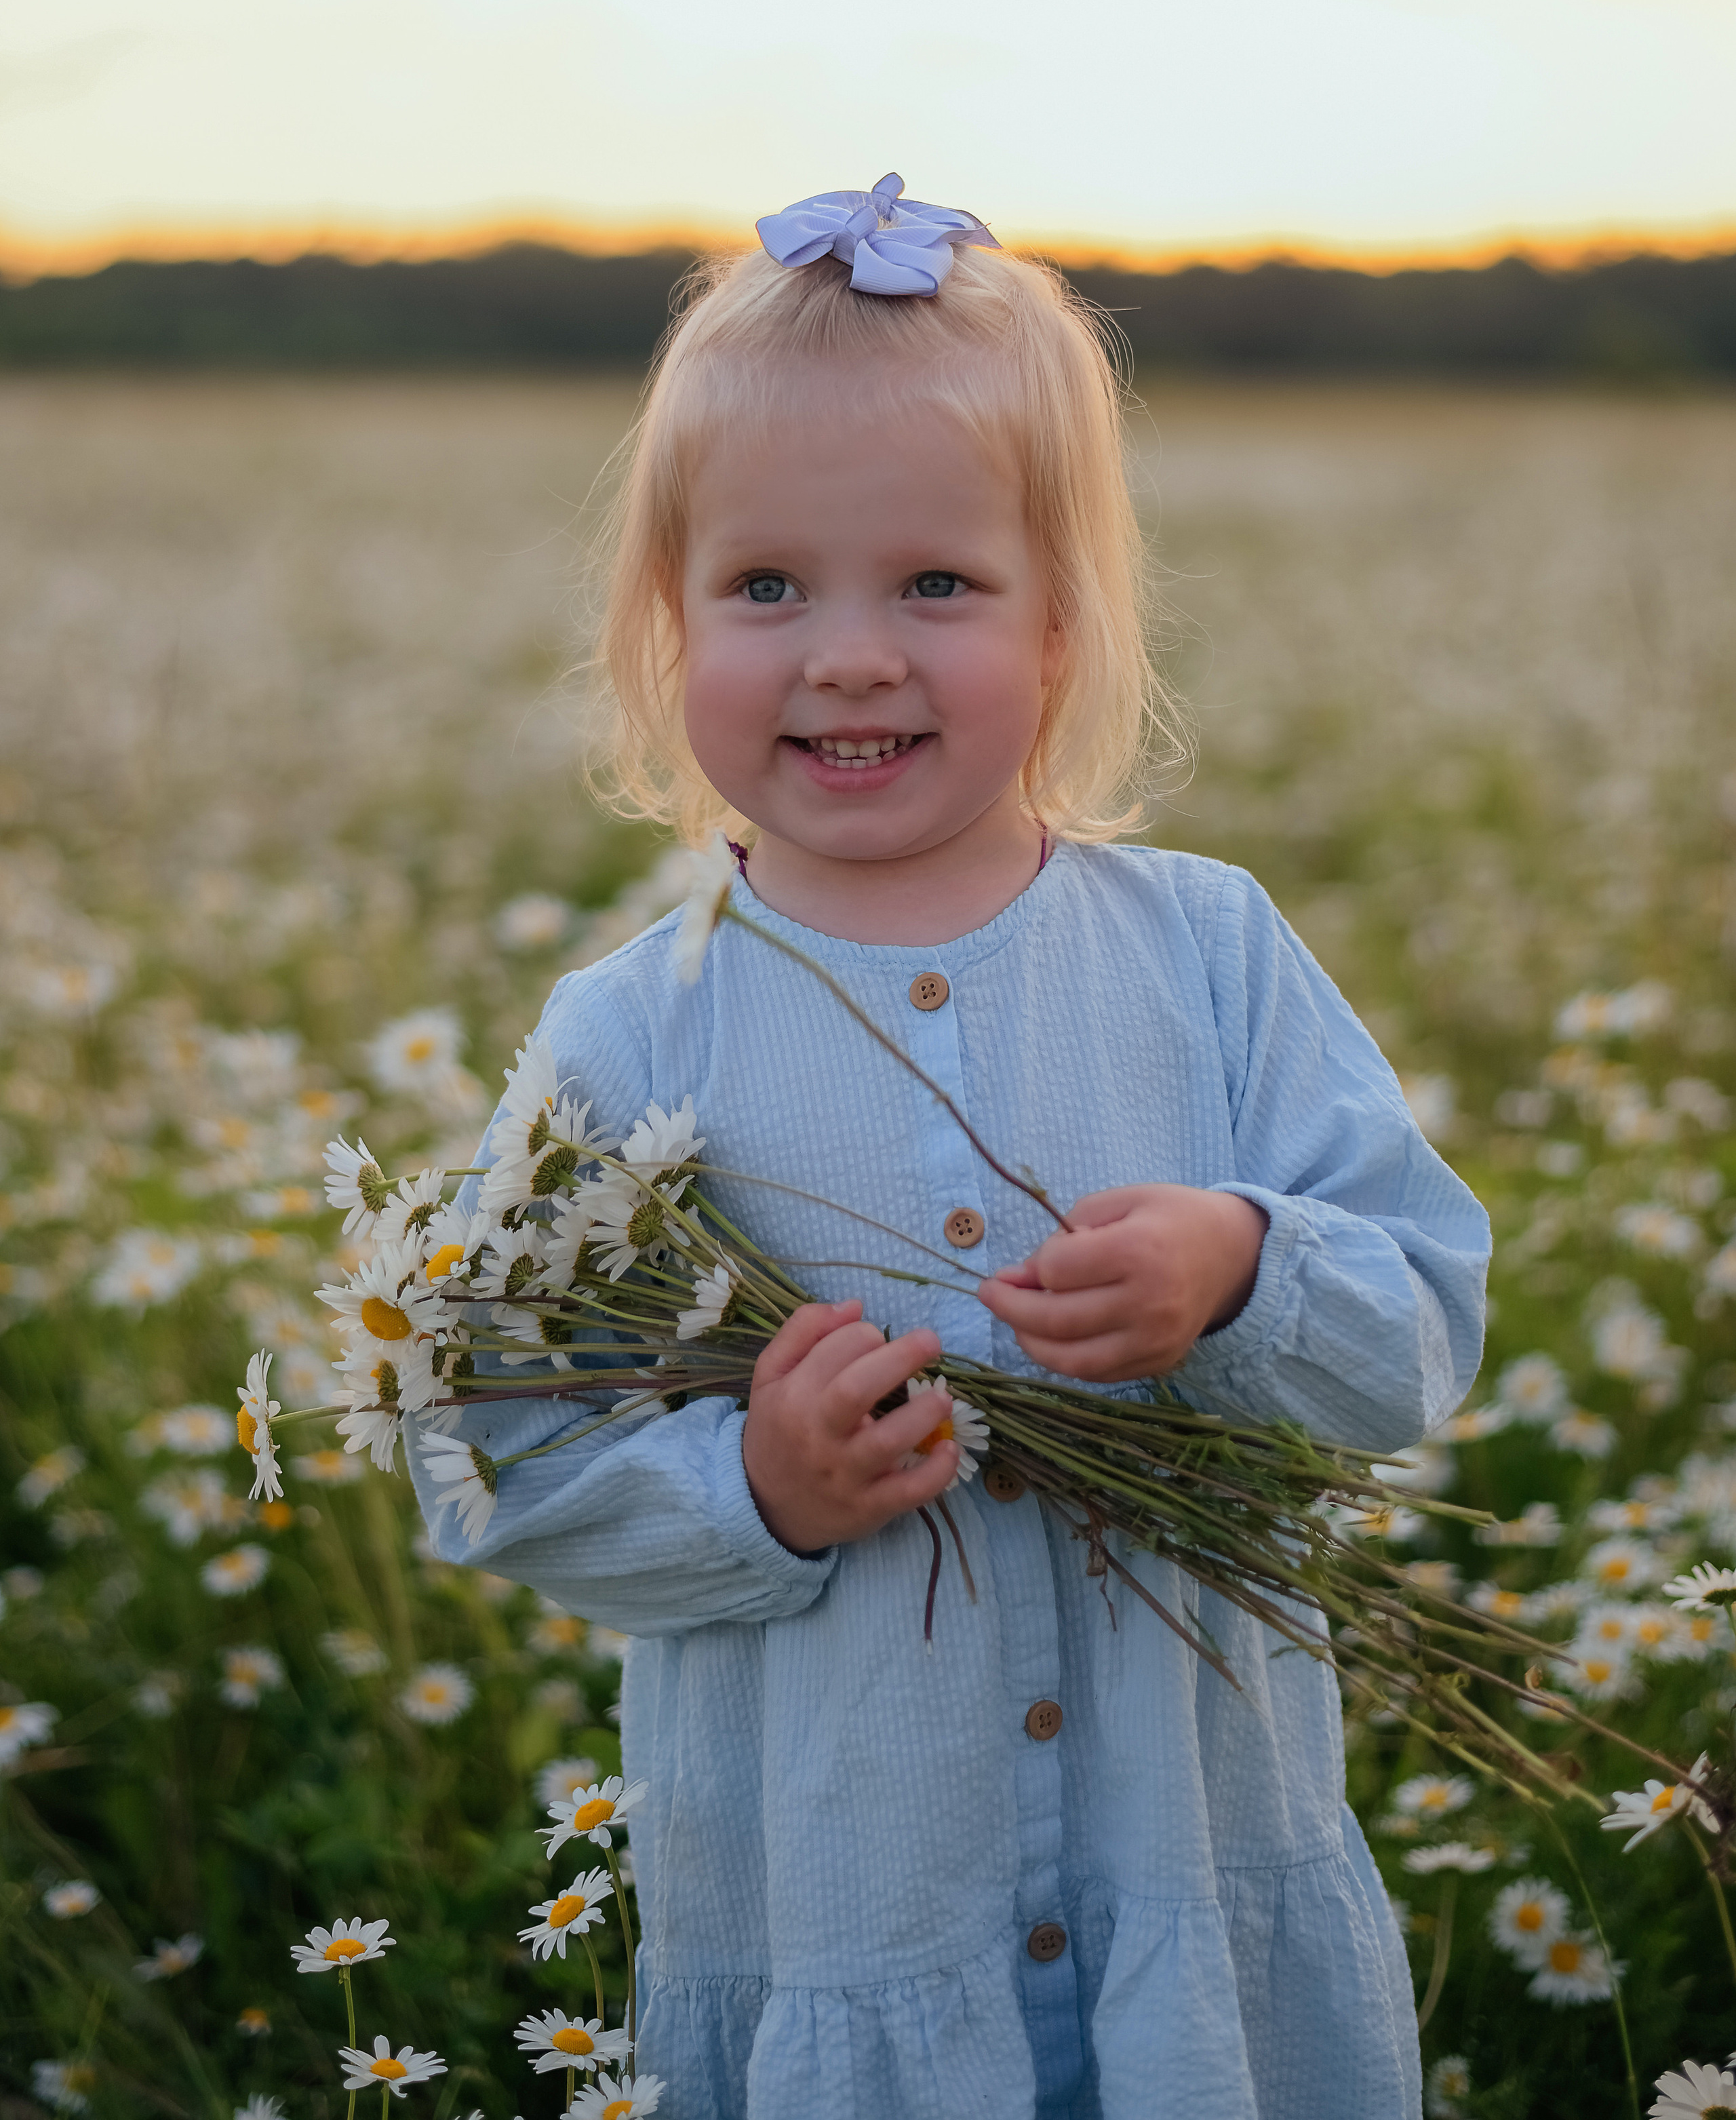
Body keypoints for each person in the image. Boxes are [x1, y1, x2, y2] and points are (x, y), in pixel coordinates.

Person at [409, 176, 1490, 2120]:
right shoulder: (630, 1029)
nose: (849, 655)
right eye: (767, 589)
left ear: (1063, 626)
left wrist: (1243, 1269)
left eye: (936, 585)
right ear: (668, 627)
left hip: (1196, 1878)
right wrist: (758, 1484)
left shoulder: (1209, 949)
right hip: (844, 1910)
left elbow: (1416, 1326)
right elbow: (493, 1455)